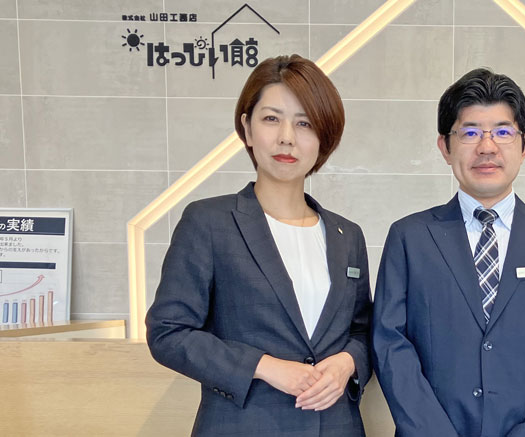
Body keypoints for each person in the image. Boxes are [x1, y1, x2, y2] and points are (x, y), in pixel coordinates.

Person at [146, 54, 371, 436]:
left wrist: (348, 362)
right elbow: (168, 332)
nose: (287, 137)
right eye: (271, 119)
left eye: (304, 123)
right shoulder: (209, 222)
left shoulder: (347, 236)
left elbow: (362, 332)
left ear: (323, 138)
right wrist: (264, 366)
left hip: (336, 426)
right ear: (247, 129)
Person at [371, 68, 525, 437]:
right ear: (445, 147)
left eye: (503, 132)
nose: (487, 147)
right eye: (470, 132)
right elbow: (389, 343)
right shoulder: (409, 238)